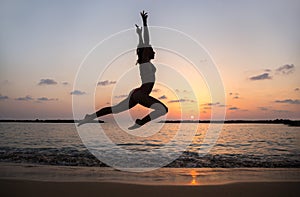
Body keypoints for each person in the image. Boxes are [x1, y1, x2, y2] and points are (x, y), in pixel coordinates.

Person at [78, 11, 168, 129]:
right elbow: (146, 43)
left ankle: (90, 117)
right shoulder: (145, 62)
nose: (154, 52)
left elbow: (142, 45)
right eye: (152, 50)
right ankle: (141, 122)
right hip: (141, 94)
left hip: (137, 93)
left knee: (115, 109)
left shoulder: (145, 61)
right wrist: (145, 23)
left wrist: (139, 35)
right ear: (148, 52)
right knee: (163, 109)